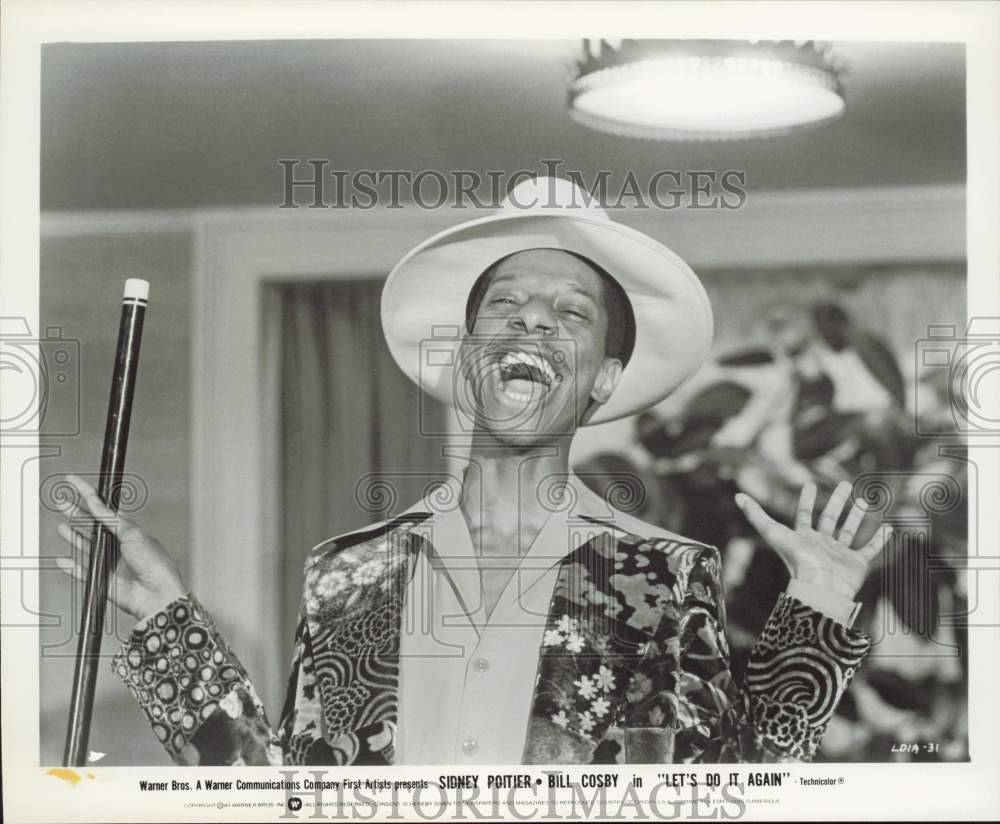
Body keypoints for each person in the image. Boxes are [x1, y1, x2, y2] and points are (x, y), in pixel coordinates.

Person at [55, 177, 891, 766]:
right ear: (465, 361)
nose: (532, 316)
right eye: (506, 304)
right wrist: (171, 630)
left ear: (600, 380)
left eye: (570, 313)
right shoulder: (349, 574)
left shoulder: (667, 578)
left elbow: (732, 792)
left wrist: (816, 609)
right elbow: (281, 795)